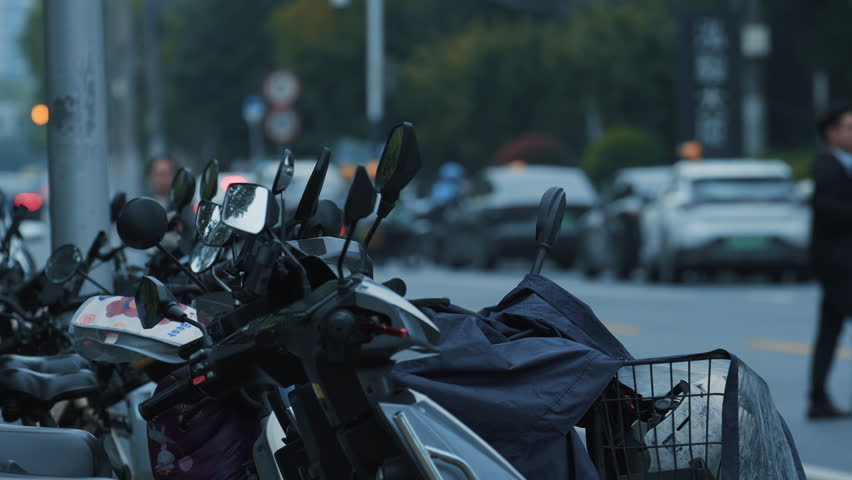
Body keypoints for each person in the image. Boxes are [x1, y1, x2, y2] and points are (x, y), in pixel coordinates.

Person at [808, 103, 852, 419]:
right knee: (829, 331)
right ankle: (817, 397)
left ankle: (818, 398)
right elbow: (827, 210)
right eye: (849, 127)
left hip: (843, 265)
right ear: (832, 133)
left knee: (829, 330)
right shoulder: (826, 166)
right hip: (838, 265)